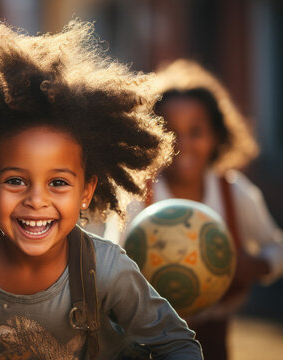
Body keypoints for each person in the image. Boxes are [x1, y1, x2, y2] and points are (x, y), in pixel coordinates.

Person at [0, 20, 202, 360]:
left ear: (86, 190)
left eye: (58, 183)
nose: (36, 200)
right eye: (15, 180)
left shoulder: (106, 269)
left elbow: (178, 344)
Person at [115, 59, 283, 360]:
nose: (184, 144)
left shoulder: (232, 192)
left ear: (217, 135)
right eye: (171, 131)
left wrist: (257, 265)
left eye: (196, 131)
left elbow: (277, 246)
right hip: (150, 337)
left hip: (215, 336)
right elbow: (112, 262)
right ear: (153, 136)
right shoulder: (138, 196)